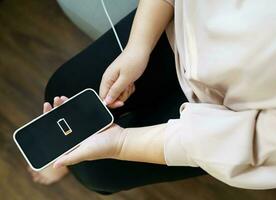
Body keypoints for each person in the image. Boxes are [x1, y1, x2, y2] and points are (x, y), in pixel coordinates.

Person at [28, 0, 276, 194]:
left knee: (96, 172)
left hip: (225, 116)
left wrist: (122, 143)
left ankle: (64, 161)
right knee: (63, 89)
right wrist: (138, 47)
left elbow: (254, 143)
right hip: (181, 27)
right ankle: (58, 155)